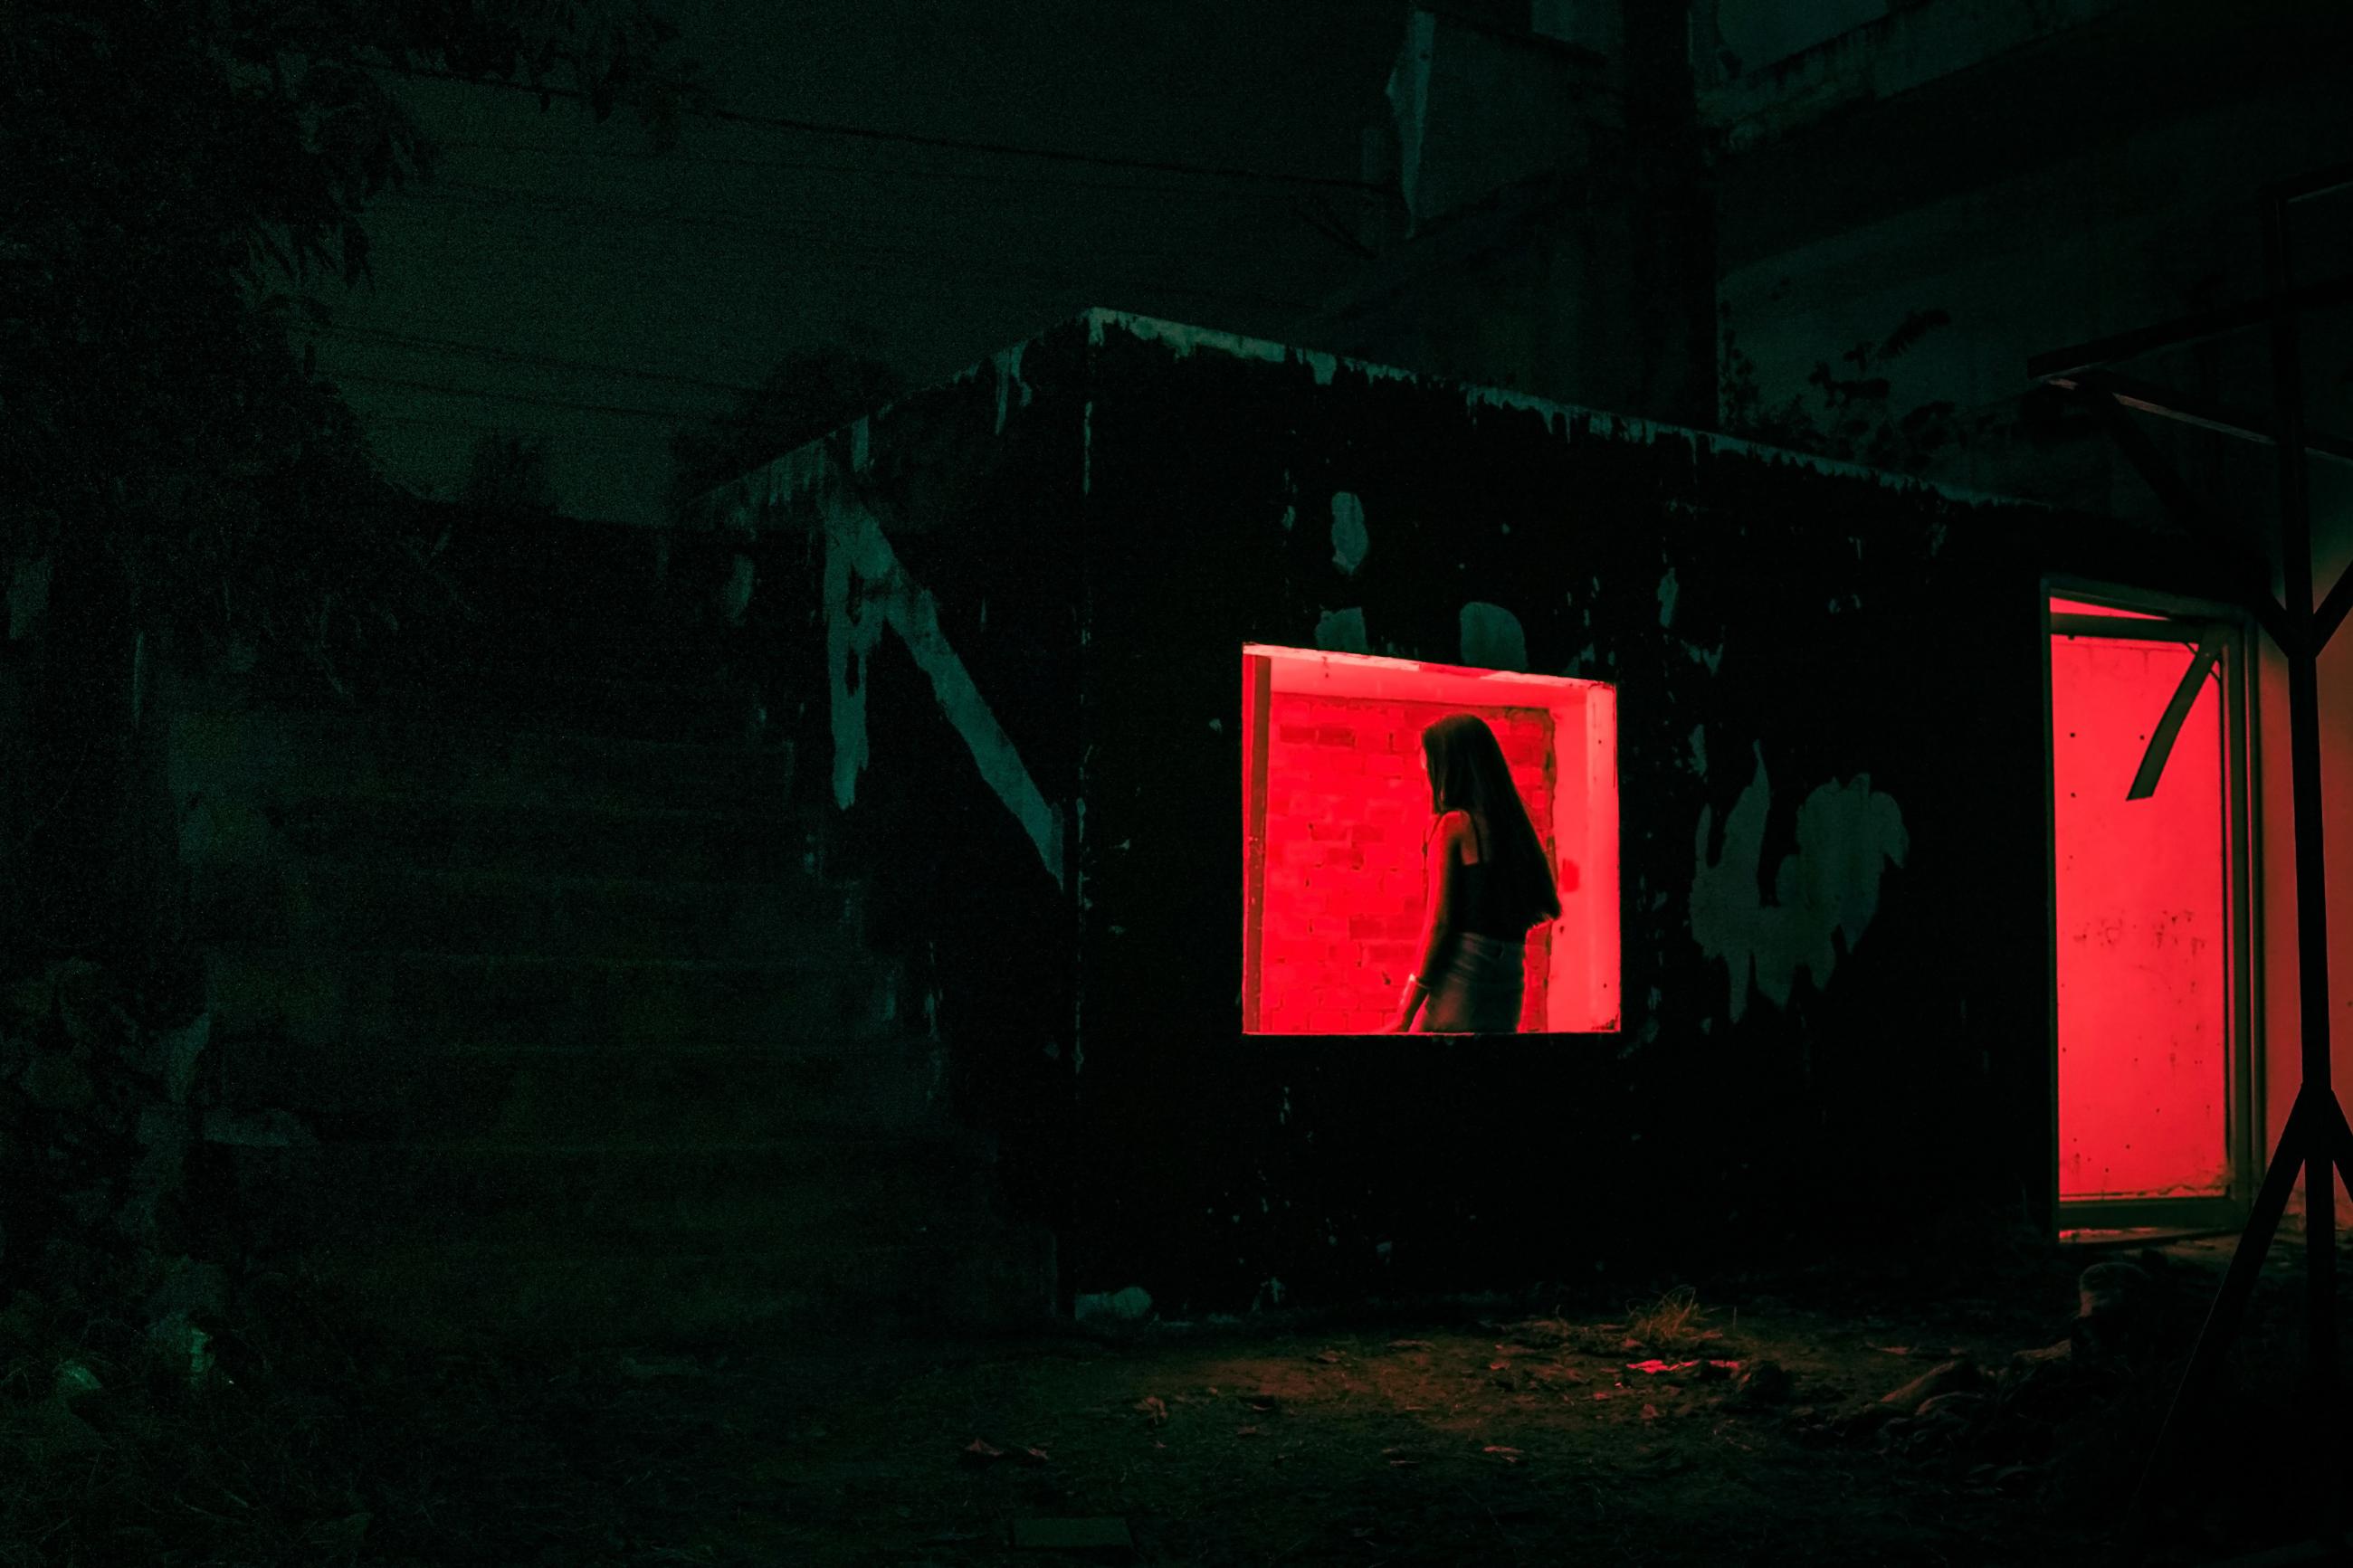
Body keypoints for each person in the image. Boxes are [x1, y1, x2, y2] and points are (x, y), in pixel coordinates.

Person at [1386, 713, 1561, 1033]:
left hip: (1463, 974)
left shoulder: (1454, 825)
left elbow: (1440, 924)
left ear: (1448, 766)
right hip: (1510, 977)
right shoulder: (1510, 827)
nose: (1426, 773)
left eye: (1429, 765)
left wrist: (1404, 1014)